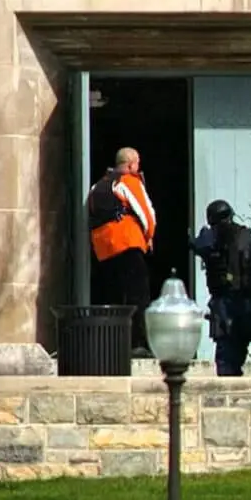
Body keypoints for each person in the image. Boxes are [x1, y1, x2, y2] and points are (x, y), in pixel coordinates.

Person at [190, 200, 251, 376]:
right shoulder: (213, 239)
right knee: (227, 354)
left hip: (243, 302)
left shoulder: (246, 238)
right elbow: (198, 245)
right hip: (224, 302)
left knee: (235, 348)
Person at [87, 147, 156, 358]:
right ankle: (138, 344)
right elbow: (146, 212)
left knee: (113, 296)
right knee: (138, 295)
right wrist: (149, 235)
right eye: (138, 163)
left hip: (104, 249)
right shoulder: (128, 181)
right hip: (128, 243)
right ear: (130, 164)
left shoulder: (97, 186)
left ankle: (111, 345)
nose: (139, 167)